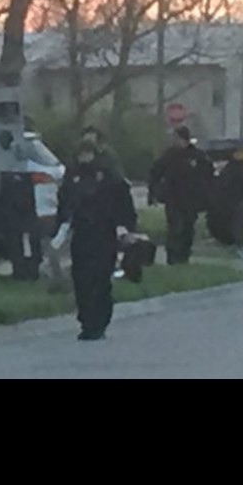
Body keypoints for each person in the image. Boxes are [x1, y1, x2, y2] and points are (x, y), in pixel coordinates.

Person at [55, 136, 137, 341]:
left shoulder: (109, 176)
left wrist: (125, 227)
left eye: (87, 154)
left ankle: (99, 322)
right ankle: (86, 320)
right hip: (82, 233)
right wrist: (62, 223)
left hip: (103, 233)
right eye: (81, 154)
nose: (84, 158)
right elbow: (64, 201)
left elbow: (123, 202)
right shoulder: (73, 175)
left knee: (100, 278)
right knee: (81, 278)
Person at [148, 126, 213, 265]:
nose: (173, 141)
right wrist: (153, 192)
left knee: (188, 229)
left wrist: (206, 196)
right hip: (173, 198)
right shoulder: (169, 155)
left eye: (175, 138)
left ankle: (184, 257)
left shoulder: (197, 156)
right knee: (175, 228)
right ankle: (173, 257)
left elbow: (208, 175)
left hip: (191, 199)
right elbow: (155, 172)